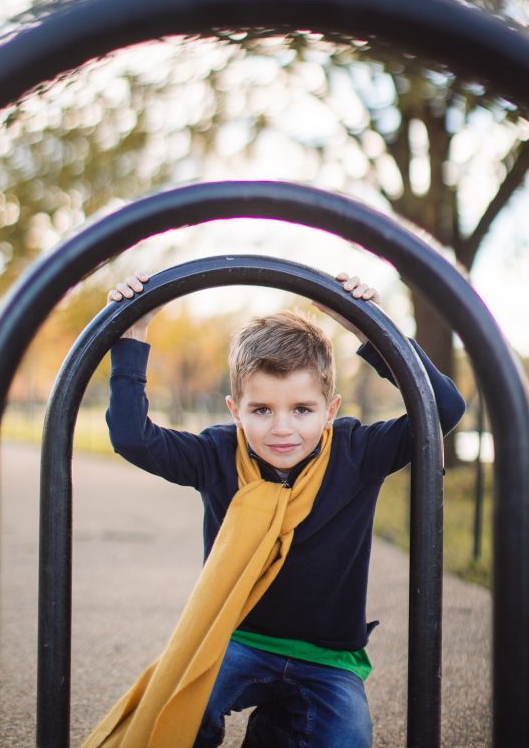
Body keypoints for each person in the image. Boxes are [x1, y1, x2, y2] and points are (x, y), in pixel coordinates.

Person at [88, 270, 465, 748]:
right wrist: (132, 334)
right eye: (262, 410)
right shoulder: (219, 454)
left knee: (347, 739)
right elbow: (131, 437)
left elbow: (444, 408)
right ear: (235, 409)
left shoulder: (357, 451)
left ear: (331, 409)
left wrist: (372, 330)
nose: (282, 429)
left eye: (302, 410)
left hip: (328, 658)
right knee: (175, 712)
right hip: (237, 641)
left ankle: (280, 729)